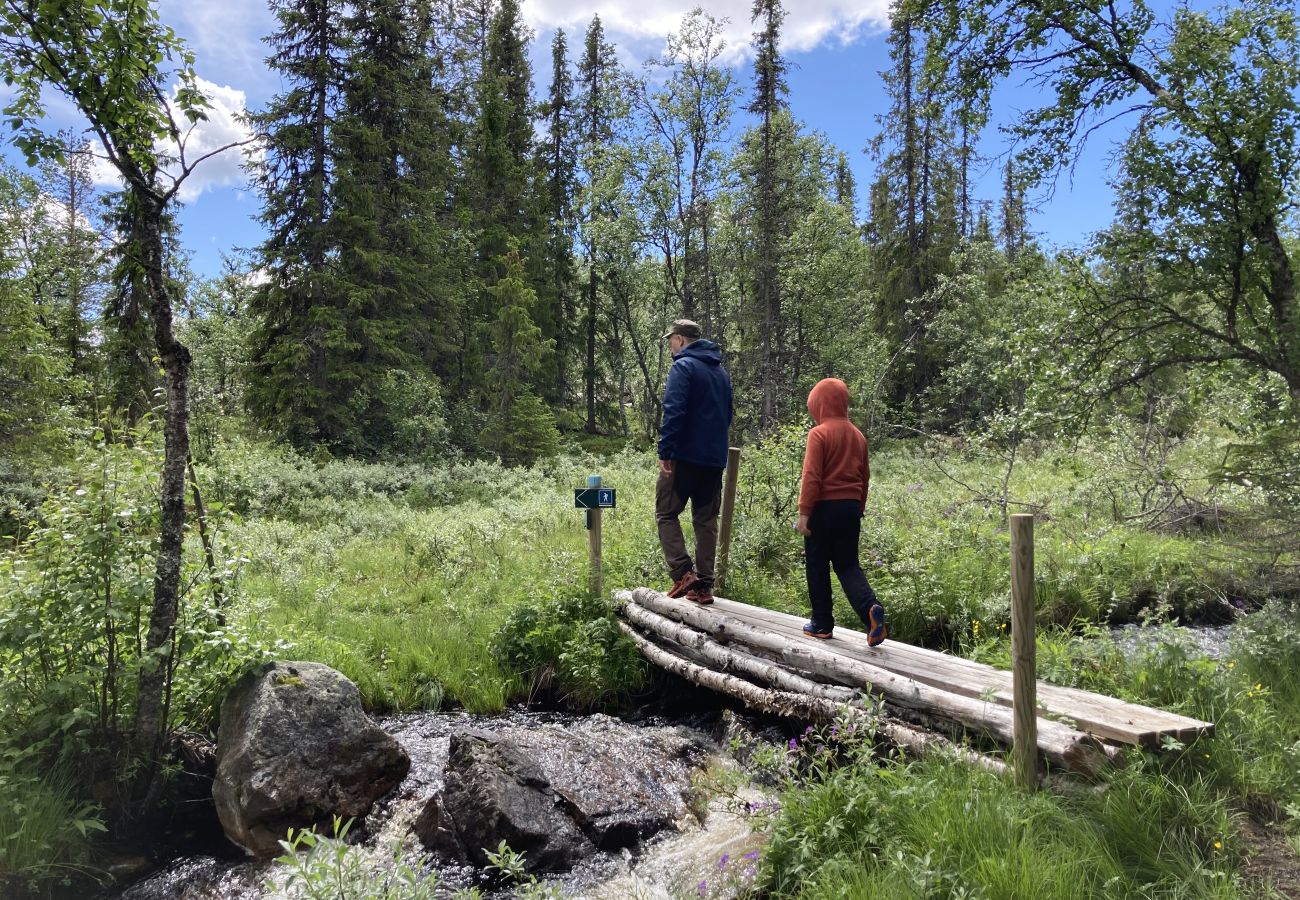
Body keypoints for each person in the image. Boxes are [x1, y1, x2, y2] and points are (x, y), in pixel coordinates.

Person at [795, 377, 887, 646]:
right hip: (849, 508)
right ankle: (870, 609)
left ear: (819, 405)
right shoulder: (858, 436)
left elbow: (811, 476)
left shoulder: (819, 434)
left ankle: (821, 624)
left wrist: (803, 513)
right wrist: (859, 508)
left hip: (822, 509)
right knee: (848, 565)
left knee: (817, 564)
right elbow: (865, 477)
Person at [656, 319, 733, 606]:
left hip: (684, 457)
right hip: (714, 460)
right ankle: (704, 586)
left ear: (681, 340)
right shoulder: (721, 373)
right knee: (706, 522)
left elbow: (673, 411)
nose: (670, 347)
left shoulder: (683, 367)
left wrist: (666, 451)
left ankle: (683, 573)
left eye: (671, 341)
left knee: (666, 513)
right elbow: (727, 415)